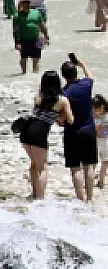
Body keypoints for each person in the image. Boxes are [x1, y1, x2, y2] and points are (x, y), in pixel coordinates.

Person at [19, 70, 68, 200]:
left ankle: (34, 193)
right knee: (43, 168)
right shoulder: (62, 100)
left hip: (27, 129)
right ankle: (40, 198)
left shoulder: (38, 96)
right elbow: (67, 119)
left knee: (34, 164)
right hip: (40, 131)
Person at [59, 56, 97, 203]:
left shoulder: (63, 93)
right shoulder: (85, 85)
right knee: (89, 166)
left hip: (72, 132)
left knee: (75, 168)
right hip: (88, 130)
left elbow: (62, 117)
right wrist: (82, 63)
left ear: (63, 76)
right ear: (76, 72)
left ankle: (80, 199)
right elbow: (90, 74)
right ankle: (90, 198)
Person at [12, 0, 46, 74]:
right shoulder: (17, 16)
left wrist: (46, 37)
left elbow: (42, 25)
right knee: (24, 58)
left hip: (37, 39)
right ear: (21, 4)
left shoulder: (36, 12)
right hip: (24, 39)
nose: (26, 4)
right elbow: (15, 31)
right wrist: (17, 43)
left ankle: (35, 75)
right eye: (24, 2)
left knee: (36, 59)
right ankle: (23, 74)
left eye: (28, 2)